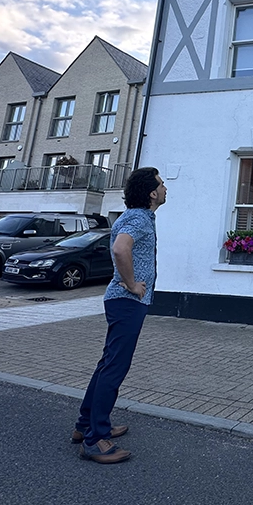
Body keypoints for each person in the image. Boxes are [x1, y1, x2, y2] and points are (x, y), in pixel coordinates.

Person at [73, 166, 166, 463]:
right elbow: (120, 249)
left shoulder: (136, 216)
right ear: (152, 193)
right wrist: (131, 285)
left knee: (107, 364)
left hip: (122, 303)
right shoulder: (138, 218)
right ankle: (95, 439)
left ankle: (85, 425)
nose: (165, 189)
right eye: (161, 185)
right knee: (114, 368)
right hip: (126, 302)